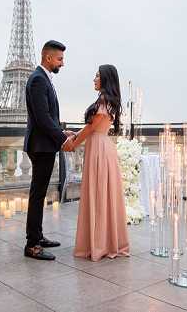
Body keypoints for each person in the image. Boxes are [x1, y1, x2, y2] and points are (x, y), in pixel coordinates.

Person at [71, 64, 130, 261]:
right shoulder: (106, 101)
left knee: (97, 193)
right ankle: (104, 240)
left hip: (98, 149)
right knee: (102, 194)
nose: (94, 79)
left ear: (105, 79)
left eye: (96, 76)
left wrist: (72, 143)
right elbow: (91, 128)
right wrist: (74, 135)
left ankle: (99, 243)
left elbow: (90, 130)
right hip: (102, 146)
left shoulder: (103, 102)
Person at [23, 40, 75, 261]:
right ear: (48, 58)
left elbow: (49, 116)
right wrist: (62, 138)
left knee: (40, 193)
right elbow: (43, 118)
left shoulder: (43, 79)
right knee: (37, 195)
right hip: (41, 146)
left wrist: (64, 130)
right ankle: (32, 244)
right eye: (60, 59)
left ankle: (38, 236)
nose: (63, 63)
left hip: (44, 145)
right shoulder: (38, 80)